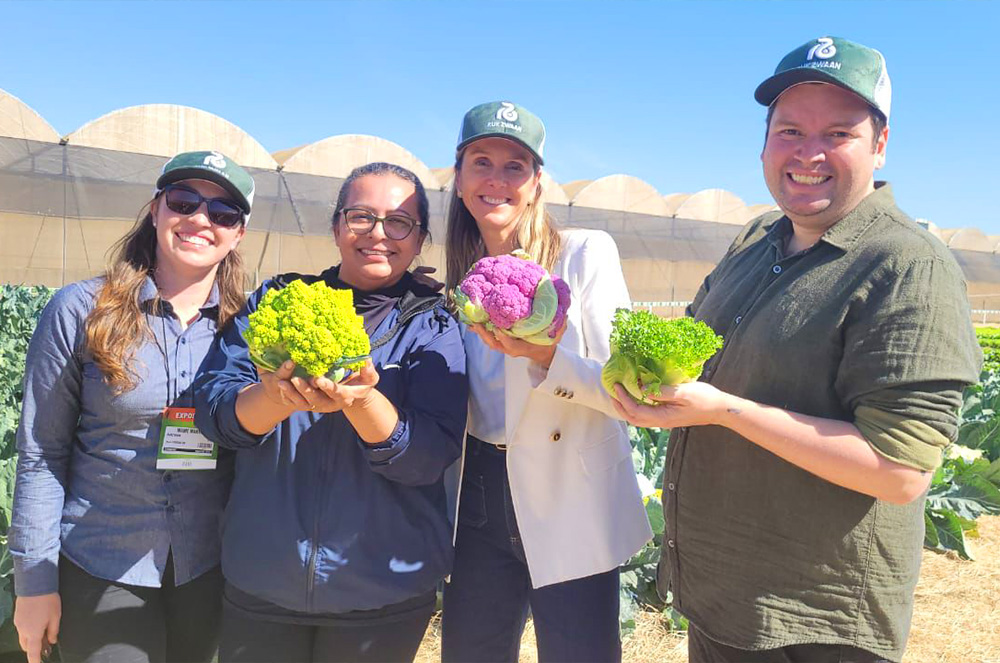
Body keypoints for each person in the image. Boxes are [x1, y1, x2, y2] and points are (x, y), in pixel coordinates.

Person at [611, 37, 983, 663]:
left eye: (838, 133)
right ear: (764, 142)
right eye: (789, 130)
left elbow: (899, 472)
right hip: (723, 597)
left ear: (880, 145)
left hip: (813, 621)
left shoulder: (907, 265)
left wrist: (724, 410)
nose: (809, 153)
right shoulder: (759, 237)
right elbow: (697, 348)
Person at [192, 161, 467, 663]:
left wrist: (362, 401)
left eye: (399, 221)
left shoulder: (434, 326)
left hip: (383, 596)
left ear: (421, 238)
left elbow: (430, 455)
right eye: (361, 216)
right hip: (263, 585)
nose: (378, 234)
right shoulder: (275, 300)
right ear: (337, 225)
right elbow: (215, 413)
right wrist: (274, 397)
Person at [10, 150, 255, 663]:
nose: (199, 220)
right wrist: (34, 582)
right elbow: (41, 452)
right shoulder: (81, 310)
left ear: (238, 234)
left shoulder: (249, 329)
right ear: (156, 209)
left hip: (208, 569)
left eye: (222, 213)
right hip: (102, 559)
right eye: (183, 201)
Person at [441, 101, 652, 663]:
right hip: (479, 494)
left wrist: (547, 355)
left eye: (516, 167)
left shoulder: (584, 254)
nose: (497, 180)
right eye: (481, 162)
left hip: (570, 491)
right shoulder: (453, 282)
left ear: (537, 184)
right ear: (459, 180)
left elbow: (622, 389)